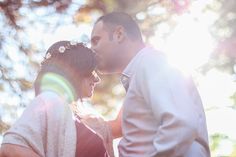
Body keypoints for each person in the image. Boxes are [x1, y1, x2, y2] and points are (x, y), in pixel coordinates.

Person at [91, 12, 211, 157]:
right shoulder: (142, 70)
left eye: (96, 40)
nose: (92, 49)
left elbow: (180, 124)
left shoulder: (153, 63)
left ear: (119, 34)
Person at [0, 41, 114, 157]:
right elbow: (10, 148)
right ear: (77, 70)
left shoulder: (68, 115)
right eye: (92, 72)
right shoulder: (49, 101)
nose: (97, 80)